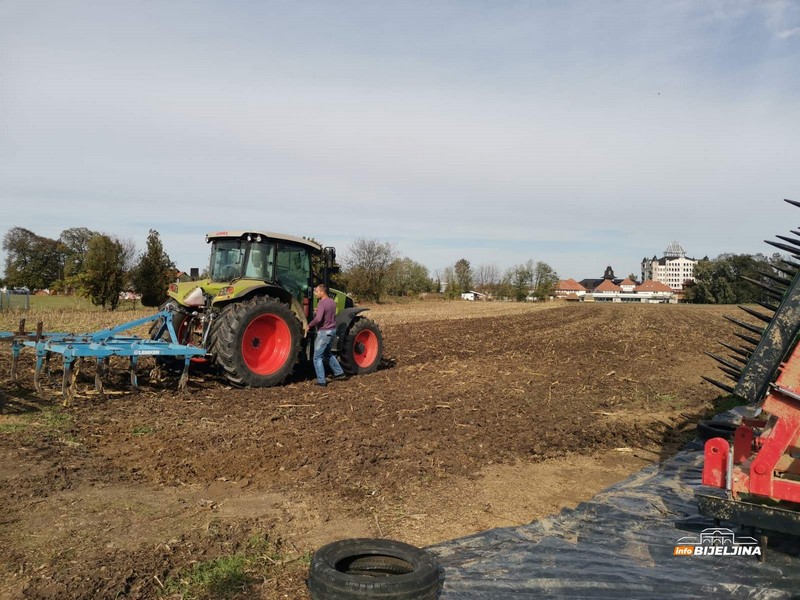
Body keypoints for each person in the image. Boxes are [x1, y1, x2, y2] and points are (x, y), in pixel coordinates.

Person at [306, 284, 347, 386]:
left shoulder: (321, 303)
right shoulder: (332, 302)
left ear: (322, 292)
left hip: (324, 333)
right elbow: (328, 314)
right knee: (327, 353)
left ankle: (321, 381)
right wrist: (318, 311)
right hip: (332, 331)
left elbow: (318, 319)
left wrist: (309, 325)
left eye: (316, 292)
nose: (315, 294)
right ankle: (340, 373)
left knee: (317, 357)